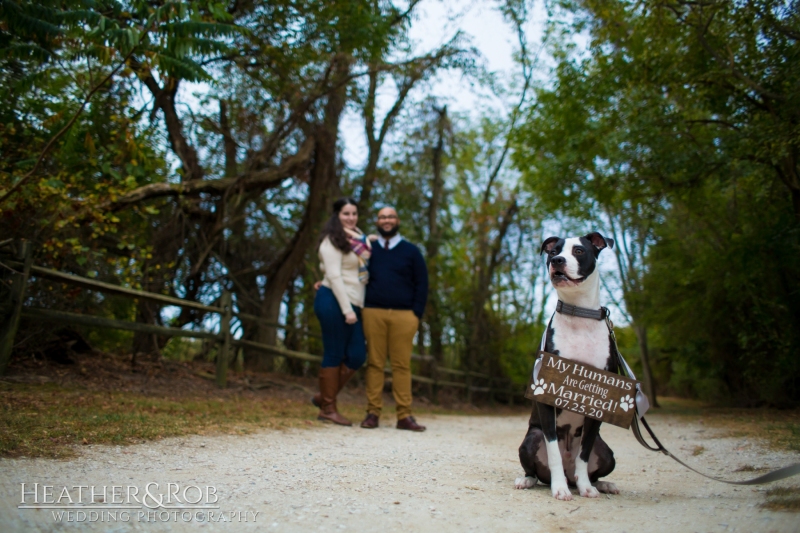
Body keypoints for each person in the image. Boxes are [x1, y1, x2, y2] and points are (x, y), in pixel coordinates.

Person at [360, 206, 429, 431]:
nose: (386, 220)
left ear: (397, 220)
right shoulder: (368, 249)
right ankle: (372, 413)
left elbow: (422, 283)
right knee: (374, 364)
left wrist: (415, 313)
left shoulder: (411, 251)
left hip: (404, 316)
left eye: (390, 217)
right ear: (377, 222)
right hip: (373, 312)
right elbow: (349, 269)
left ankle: (404, 416)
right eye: (382, 217)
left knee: (401, 365)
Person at [312, 197, 371, 426]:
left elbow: (337, 267)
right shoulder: (331, 240)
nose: (351, 218)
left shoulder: (360, 240)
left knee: (357, 355)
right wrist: (347, 310)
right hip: (334, 301)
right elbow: (334, 275)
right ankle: (328, 408)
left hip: (353, 303)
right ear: (337, 215)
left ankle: (324, 395)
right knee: (334, 353)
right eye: (346, 213)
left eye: (354, 213)